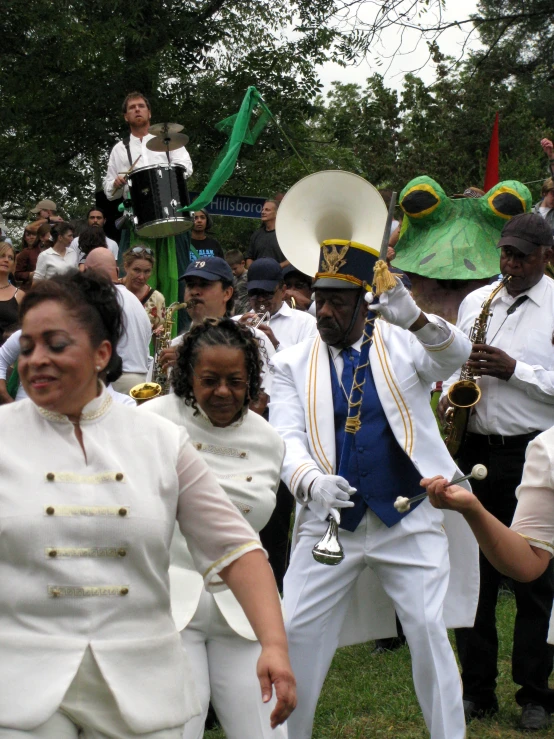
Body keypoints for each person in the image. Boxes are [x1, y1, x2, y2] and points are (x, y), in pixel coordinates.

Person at [0, 269, 296, 738]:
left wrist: (275, 646)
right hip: (20, 684)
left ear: (101, 354)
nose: (36, 360)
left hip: (137, 680)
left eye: (56, 345)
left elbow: (237, 549)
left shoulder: (158, 439)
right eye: (28, 345)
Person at [269, 239, 478, 739]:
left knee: (429, 632)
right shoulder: (290, 364)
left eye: (337, 301)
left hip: (409, 516)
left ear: (365, 302)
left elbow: (457, 356)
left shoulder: (403, 341)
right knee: (295, 632)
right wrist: (310, 482)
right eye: (319, 299)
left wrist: (416, 319)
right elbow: (285, 437)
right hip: (328, 523)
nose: (323, 310)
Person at [141, 317, 287, 739]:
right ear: (187, 375)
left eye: (235, 381)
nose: (222, 391)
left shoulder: (269, 440)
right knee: (175, 729)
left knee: (267, 731)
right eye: (209, 380)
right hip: (166, 604)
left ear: (251, 381)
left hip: (243, 610)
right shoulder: (150, 422)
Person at [436, 212, 554, 730]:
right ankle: (476, 689)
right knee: (471, 574)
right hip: (473, 449)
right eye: (505, 253)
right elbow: (453, 365)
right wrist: (448, 395)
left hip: (532, 452)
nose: (508, 264)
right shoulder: (475, 301)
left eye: (521, 256)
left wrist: (515, 370)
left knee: (535, 579)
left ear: (545, 256)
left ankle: (535, 691)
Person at [84, 248, 152, 394]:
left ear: (88, 272)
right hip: (141, 381)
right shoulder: (133, 300)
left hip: (115, 380)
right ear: (116, 269)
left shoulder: (101, 299)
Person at [103, 92, 192, 201]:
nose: (137, 109)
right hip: (136, 212)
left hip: (170, 204)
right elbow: (109, 193)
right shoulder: (118, 149)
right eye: (132, 107)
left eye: (141, 106)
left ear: (149, 113)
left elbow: (186, 167)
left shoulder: (168, 139)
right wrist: (115, 184)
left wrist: (166, 177)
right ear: (126, 117)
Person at [239, 258, 317, 352]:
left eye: (267, 293)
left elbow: (307, 364)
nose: (260, 299)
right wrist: (236, 339)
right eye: (254, 293)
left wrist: (275, 346)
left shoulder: (306, 323)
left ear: (283, 291)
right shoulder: (236, 323)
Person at [121, 246, 166, 332]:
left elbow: (159, 343)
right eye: (137, 270)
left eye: (147, 271)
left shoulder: (157, 299)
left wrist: (158, 334)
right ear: (126, 267)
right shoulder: (112, 290)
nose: (141, 277)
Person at [246, 201, 288, 268]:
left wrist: (277, 267)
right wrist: (253, 269)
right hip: (258, 276)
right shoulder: (256, 234)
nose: (263, 212)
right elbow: (249, 257)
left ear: (277, 213)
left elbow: (293, 258)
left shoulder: (285, 235)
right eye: (262, 209)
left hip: (280, 276)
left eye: (267, 210)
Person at [0, 243, 25, 345]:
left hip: (8, 355)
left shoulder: (20, 295)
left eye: (10, 258)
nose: (6, 260)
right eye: (2, 256)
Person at [225, 249, 249, 316]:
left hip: (247, 313)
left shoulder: (249, 276)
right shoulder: (233, 279)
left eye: (235, 268)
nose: (233, 272)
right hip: (236, 314)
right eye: (230, 269)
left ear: (243, 263)